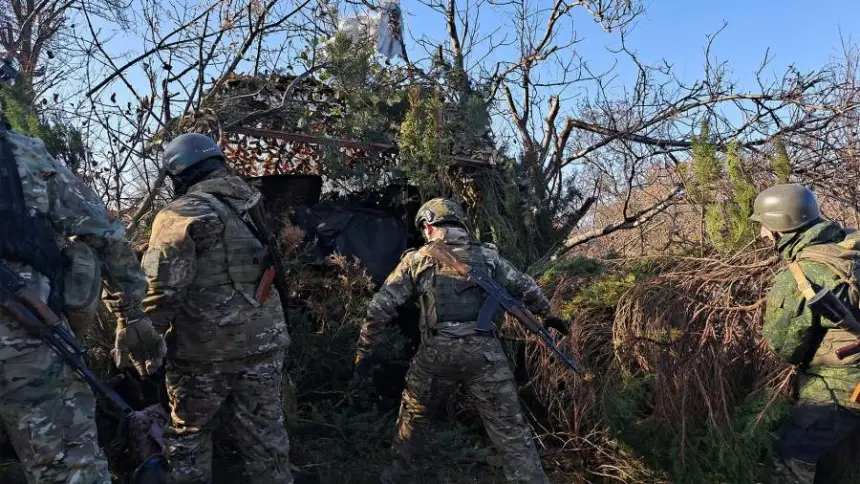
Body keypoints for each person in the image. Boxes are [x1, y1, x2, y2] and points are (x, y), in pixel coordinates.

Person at [0, 91, 166, 481]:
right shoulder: (25, 154)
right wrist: (131, 314)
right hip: (27, 345)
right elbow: (103, 234)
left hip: (26, 325)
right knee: (69, 470)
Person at [354, 198, 568, 484]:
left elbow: (380, 307)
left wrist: (364, 349)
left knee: (412, 424)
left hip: (436, 356)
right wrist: (547, 314)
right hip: (486, 357)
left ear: (429, 227)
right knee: (511, 434)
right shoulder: (488, 257)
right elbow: (526, 286)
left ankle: (397, 478)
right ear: (460, 226)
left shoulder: (417, 260)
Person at [141, 132, 292, 484]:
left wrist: (142, 348)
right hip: (264, 344)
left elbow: (159, 291)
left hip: (204, 352)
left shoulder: (181, 213)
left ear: (179, 175)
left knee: (190, 437)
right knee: (266, 437)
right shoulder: (251, 202)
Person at [752, 184, 860, 483]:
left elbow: (785, 347)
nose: (762, 234)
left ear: (779, 227)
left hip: (839, 390)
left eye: (764, 225)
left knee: (786, 461)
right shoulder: (850, 249)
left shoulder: (800, 275)